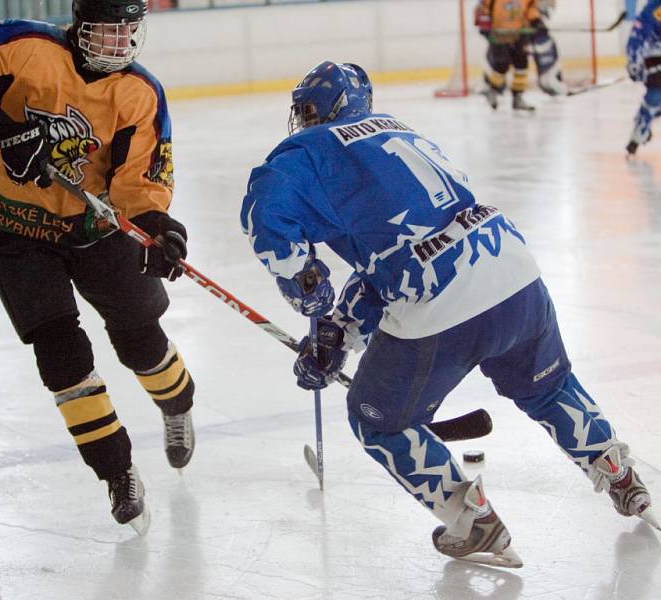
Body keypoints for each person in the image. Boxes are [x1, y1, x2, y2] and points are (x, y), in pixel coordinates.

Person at [240, 61, 658, 568]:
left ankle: (472, 520)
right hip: (513, 271)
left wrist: (303, 280)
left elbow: (266, 210)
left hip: (441, 307)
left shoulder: (309, 149)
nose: (304, 121)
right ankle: (615, 466)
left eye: (309, 111)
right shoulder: (398, 130)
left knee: (379, 419)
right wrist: (337, 333)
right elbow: (397, 256)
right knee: (548, 387)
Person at [0, 0, 195, 533]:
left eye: (128, 33)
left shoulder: (139, 91)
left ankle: (177, 404)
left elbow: (139, 175)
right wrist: (1, 129)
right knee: (60, 352)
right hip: (15, 227)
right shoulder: (21, 45)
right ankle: (117, 471)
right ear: (80, 24)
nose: (119, 44)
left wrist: (158, 225)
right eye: (107, 32)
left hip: (95, 230)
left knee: (139, 337)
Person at [474, 0, 540, 110]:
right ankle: (493, 89)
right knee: (502, 63)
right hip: (499, 33)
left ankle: (518, 97)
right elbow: (482, 9)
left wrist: (535, 20)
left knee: (522, 65)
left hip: (520, 33)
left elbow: (531, 8)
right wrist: (484, 25)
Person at [626, 0, 661, 155]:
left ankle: (646, 115)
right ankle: (642, 124)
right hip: (655, 54)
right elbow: (639, 31)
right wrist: (634, 60)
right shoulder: (656, 6)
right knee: (655, 95)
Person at [531, 0, 568, 96]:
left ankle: (551, 80)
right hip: (526, 23)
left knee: (547, 45)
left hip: (533, 22)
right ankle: (548, 80)